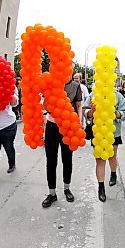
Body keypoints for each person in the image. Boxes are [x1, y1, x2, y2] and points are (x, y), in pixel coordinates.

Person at [41, 79, 83, 208]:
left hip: (68, 127)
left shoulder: (75, 86)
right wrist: (44, 120)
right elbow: (44, 106)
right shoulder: (51, 82)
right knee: (51, 161)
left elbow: (79, 105)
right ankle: (51, 193)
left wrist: (79, 122)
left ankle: (67, 188)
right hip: (52, 127)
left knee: (67, 159)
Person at [84, 89, 125, 202]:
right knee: (99, 160)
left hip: (113, 132)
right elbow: (85, 110)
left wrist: (117, 113)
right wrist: (91, 112)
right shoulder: (93, 95)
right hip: (98, 133)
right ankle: (101, 187)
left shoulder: (117, 96)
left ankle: (113, 174)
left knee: (112, 156)